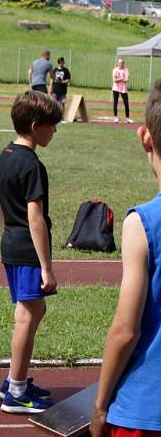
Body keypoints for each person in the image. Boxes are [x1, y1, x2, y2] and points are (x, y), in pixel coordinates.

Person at [90, 79, 161, 436]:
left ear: (145, 137)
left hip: (144, 408)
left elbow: (125, 330)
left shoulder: (143, 223)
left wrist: (100, 405)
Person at [0, 91, 62, 414]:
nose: (54, 131)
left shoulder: (5, 155)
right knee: (27, 315)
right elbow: (35, 217)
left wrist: (8, 227)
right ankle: (16, 391)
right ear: (34, 126)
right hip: (29, 251)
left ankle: (13, 380)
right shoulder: (32, 165)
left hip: (12, 244)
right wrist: (46, 266)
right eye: (51, 125)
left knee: (33, 311)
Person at [112, 58, 133, 124]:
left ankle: (127, 118)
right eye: (120, 63)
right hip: (116, 88)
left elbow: (126, 79)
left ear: (124, 63)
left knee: (126, 103)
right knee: (115, 103)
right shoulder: (115, 70)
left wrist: (119, 79)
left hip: (124, 89)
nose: (121, 64)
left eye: (122, 63)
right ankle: (115, 118)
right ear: (118, 63)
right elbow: (114, 80)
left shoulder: (126, 69)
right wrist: (121, 78)